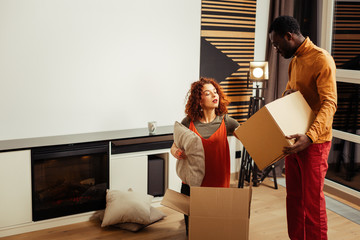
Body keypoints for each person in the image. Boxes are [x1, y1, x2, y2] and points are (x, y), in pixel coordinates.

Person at [269, 16, 337, 240]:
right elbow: (291, 93)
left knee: (312, 202)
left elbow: (329, 103)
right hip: (294, 140)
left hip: (314, 143)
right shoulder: (295, 61)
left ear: (289, 36)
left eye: (278, 44)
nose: (277, 50)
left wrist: (309, 136)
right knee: (294, 198)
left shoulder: (322, 60)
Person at [170, 77, 239, 235]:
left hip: (218, 185)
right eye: (208, 93)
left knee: (215, 230)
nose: (214, 95)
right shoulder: (188, 122)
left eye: (215, 92)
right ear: (199, 101)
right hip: (192, 185)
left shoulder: (227, 121)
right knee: (194, 231)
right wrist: (176, 152)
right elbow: (175, 145)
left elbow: (249, 137)